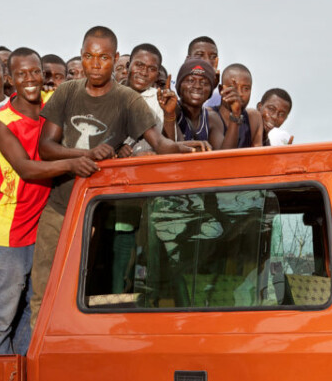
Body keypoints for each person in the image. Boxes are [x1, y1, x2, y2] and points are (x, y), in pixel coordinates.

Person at [35, 26, 205, 324]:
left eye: (103, 57)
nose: (95, 64)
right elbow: (45, 147)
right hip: (59, 208)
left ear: (115, 59)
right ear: (82, 56)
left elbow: (159, 144)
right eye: (88, 56)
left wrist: (183, 147)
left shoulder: (128, 100)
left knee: (87, 293)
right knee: (43, 292)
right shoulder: (67, 91)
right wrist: (84, 156)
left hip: (98, 215)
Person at [0, 48, 98, 354]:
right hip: (11, 230)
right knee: (0, 318)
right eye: (21, 74)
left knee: (33, 311)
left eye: (35, 72)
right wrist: (74, 163)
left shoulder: (53, 103)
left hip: (44, 223)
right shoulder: (2, 120)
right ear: (10, 80)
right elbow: (26, 169)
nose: (30, 79)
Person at [124, 43, 174, 154]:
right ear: (128, 67)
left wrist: (169, 114)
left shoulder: (159, 99)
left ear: (157, 75)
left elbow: (169, 146)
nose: (144, 73)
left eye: (151, 69)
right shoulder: (111, 93)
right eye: (139, 65)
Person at [168, 56, 222, 146]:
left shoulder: (212, 118)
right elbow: (171, 148)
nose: (197, 86)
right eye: (190, 80)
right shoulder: (173, 110)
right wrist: (168, 114)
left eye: (204, 82)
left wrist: (235, 118)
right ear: (179, 85)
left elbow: (224, 155)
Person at [216, 63, 263, 149]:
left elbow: (258, 159)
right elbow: (224, 159)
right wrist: (235, 115)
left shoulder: (254, 118)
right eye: (233, 87)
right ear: (220, 90)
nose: (240, 94)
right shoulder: (209, 116)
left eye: (246, 88)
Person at [187, 36, 221, 110]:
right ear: (188, 60)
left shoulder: (220, 97)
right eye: (200, 55)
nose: (207, 62)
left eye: (213, 57)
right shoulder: (173, 89)